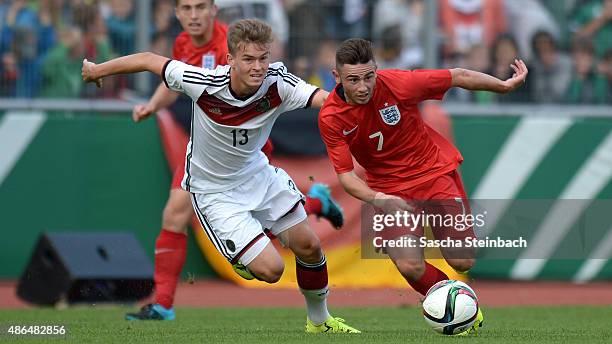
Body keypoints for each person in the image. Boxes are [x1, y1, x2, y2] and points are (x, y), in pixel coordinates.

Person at [83, 18, 359, 333]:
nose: (258, 67)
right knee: (271, 271)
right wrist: (96, 71)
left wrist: (357, 95)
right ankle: (236, 258)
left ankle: (320, 321)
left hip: (258, 176)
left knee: (309, 246)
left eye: (263, 58)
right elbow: (148, 60)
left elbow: (325, 100)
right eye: (249, 59)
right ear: (230, 60)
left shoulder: (278, 83)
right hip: (214, 192)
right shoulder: (203, 82)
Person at [318, 38, 528, 335]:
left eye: (369, 77)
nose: (363, 86)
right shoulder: (330, 117)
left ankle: (455, 303)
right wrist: (379, 199)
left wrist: (503, 87)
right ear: (337, 77)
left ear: (376, 70)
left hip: (433, 173)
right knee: (409, 266)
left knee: (463, 260)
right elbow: (347, 177)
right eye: (353, 80)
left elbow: (457, 75)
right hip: (389, 189)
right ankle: (458, 307)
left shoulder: (399, 83)